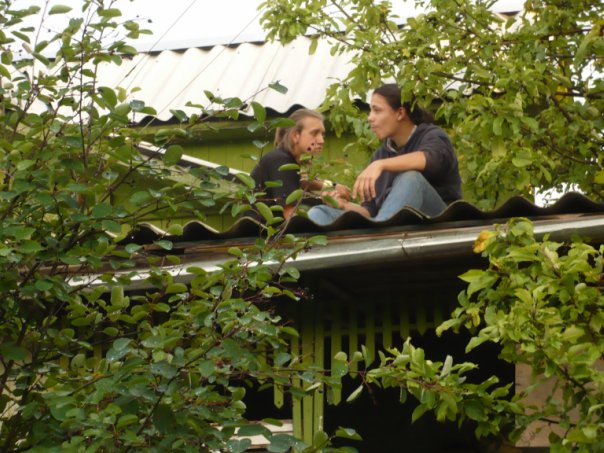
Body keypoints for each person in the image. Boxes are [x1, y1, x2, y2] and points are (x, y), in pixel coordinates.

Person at [308, 84, 462, 225]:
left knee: (410, 178)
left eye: (377, 110)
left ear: (400, 113)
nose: (370, 118)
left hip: (438, 222)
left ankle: (379, 237)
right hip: (388, 224)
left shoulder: (433, 136)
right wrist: (344, 205)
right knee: (320, 213)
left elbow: (430, 158)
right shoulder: (380, 155)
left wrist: (380, 165)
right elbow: (370, 212)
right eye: (370, 111)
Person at [250, 108, 348, 220]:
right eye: (314, 133)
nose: (321, 140)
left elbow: (301, 182)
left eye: (322, 134)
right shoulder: (280, 161)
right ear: (295, 135)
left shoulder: (288, 163)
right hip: (262, 230)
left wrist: (330, 187)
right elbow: (292, 218)